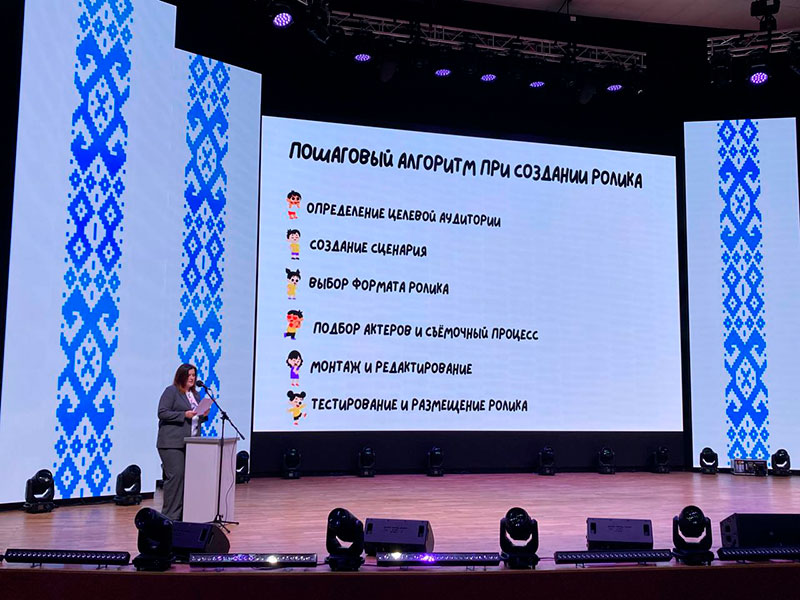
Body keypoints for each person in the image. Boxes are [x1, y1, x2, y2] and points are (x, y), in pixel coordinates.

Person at [156, 363, 210, 521]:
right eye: (189, 375)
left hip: (191, 443)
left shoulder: (195, 395)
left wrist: (203, 415)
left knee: (188, 479)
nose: (192, 378)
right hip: (171, 443)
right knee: (176, 477)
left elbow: (195, 418)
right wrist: (183, 415)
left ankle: (184, 515)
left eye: (194, 375)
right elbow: (162, 413)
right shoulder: (171, 391)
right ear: (181, 376)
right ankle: (169, 517)